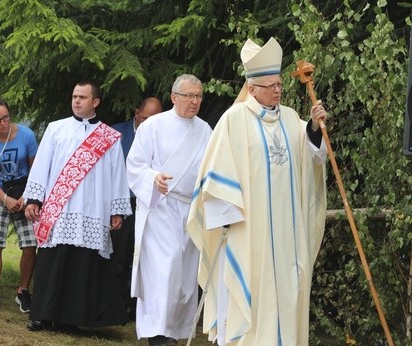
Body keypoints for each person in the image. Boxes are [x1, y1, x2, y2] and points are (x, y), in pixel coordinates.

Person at [187, 37, 328, 345]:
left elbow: (313, 159)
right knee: (252, 290)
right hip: (249, 232)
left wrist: (315, 129)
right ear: (252, 89)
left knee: (289, 290)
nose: (277, 90)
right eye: (270, 85)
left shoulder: (291, 118)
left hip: (288, 236)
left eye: (279, 85)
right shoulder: (234, 119)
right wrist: (227, 216)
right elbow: (217, 172)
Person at [23, 81, 131, 333]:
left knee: (83, 265)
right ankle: (41, 314)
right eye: (74, 96)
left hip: (93, 209)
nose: (76, 101)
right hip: (59, 209)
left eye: (82, 97)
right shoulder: (56, 128)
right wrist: (34, 199)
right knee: (52, 261)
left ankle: (71, 318)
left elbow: (118, 174)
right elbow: (41, 165)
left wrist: (116, 209)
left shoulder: (110, 137)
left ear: (96, 102)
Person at [126, 74, 212, 345]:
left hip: (190, 209)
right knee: (164, 271)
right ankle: (158, 333)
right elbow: (135, 164)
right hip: (161, 209)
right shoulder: (153, 126)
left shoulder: (205, 130)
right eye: (190, 96)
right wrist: (154, 178)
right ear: (174, 97)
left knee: (185, 278)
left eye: (199, 96)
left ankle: (176, 330)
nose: (195, 102)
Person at [0, 96, 38, 312]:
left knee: (30, 243)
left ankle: (23, 291)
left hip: (24, 190)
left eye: (6, 118)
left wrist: (27, 196)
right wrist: (4, 198)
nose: (3, 124)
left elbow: (35, 169)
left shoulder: (27, 136)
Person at [111, 97, 163, 318]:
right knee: (120, 255)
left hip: (150, 203)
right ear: (136, 113)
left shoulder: (162, 134)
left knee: (142, 256)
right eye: (145, 118)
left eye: (155, 119)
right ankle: (115, 303)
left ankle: (136, 305)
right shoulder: (117, 134)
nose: (149, 122)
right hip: (123, 203)